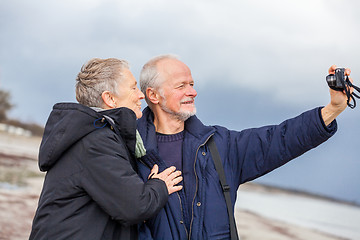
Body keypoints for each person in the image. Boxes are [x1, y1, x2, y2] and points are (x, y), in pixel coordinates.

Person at [135, 54, 353, 239]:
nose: (192, 92)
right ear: (153, 95)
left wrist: (332, 109)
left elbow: (278, 139)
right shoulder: (129, 149)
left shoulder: (219, 145)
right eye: (181, 86)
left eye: (191, 84)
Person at [29, 58, 183, 240]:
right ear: (110, 98)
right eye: (133, 88)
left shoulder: (95, 134)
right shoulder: (95, 141)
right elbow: (134, 206)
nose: (141, 95)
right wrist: (160, 185)